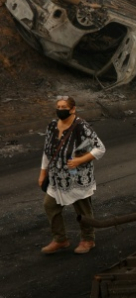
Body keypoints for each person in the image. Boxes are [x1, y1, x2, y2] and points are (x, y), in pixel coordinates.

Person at [38, 96, 106, 255]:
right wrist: (43, 173)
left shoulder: (81, 127)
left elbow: (100, 148)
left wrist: (80, 160)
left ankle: (88, 239)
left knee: (83, 210)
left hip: (78, 177)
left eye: (64, 107)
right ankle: (60, 239)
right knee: (50, 205)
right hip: (57, 178)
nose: (60, 110)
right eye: (58, 107)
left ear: (73, 109)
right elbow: (47, 152)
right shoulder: (53, 126)